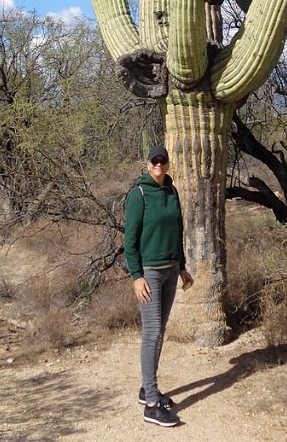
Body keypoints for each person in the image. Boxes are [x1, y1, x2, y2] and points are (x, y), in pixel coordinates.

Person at [124, 144, 194, 428]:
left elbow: (178, 232)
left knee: (160, 332)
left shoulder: (172, 192)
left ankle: (147, 389)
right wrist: (136, 276)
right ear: (148, 163)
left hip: (170, 270)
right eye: (154, 160)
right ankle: (151, 405)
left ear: (168, 163)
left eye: (163, 160)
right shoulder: (139, 195)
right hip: (150, 273)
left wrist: (182, 266)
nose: (159, 165)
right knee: (151, 334)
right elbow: (130, 241)